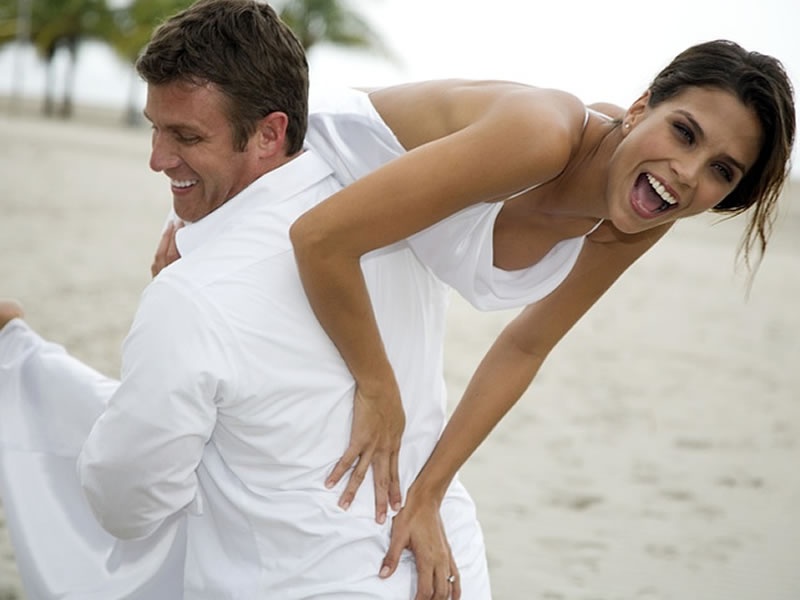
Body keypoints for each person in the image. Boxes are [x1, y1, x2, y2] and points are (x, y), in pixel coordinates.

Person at [0, 0, 491, 598]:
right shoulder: (394, 206)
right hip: (449, 569)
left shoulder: (193, 296)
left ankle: (17, 360)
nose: (157, 159)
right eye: (155, 127)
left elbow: (125, 502)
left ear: (270, 133)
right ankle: (19, 355)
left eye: (186, 136)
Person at [288, 39, 796, 579]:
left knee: (438, 534)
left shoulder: (643, 211)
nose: (688, 173)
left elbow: (526, 346)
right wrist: (378, 388)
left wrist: (429, 493)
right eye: (684, 132)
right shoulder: (543, 136)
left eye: (722, 170)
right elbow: (319, 238)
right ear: (641, 107)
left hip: (377, 251)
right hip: (302, 177)